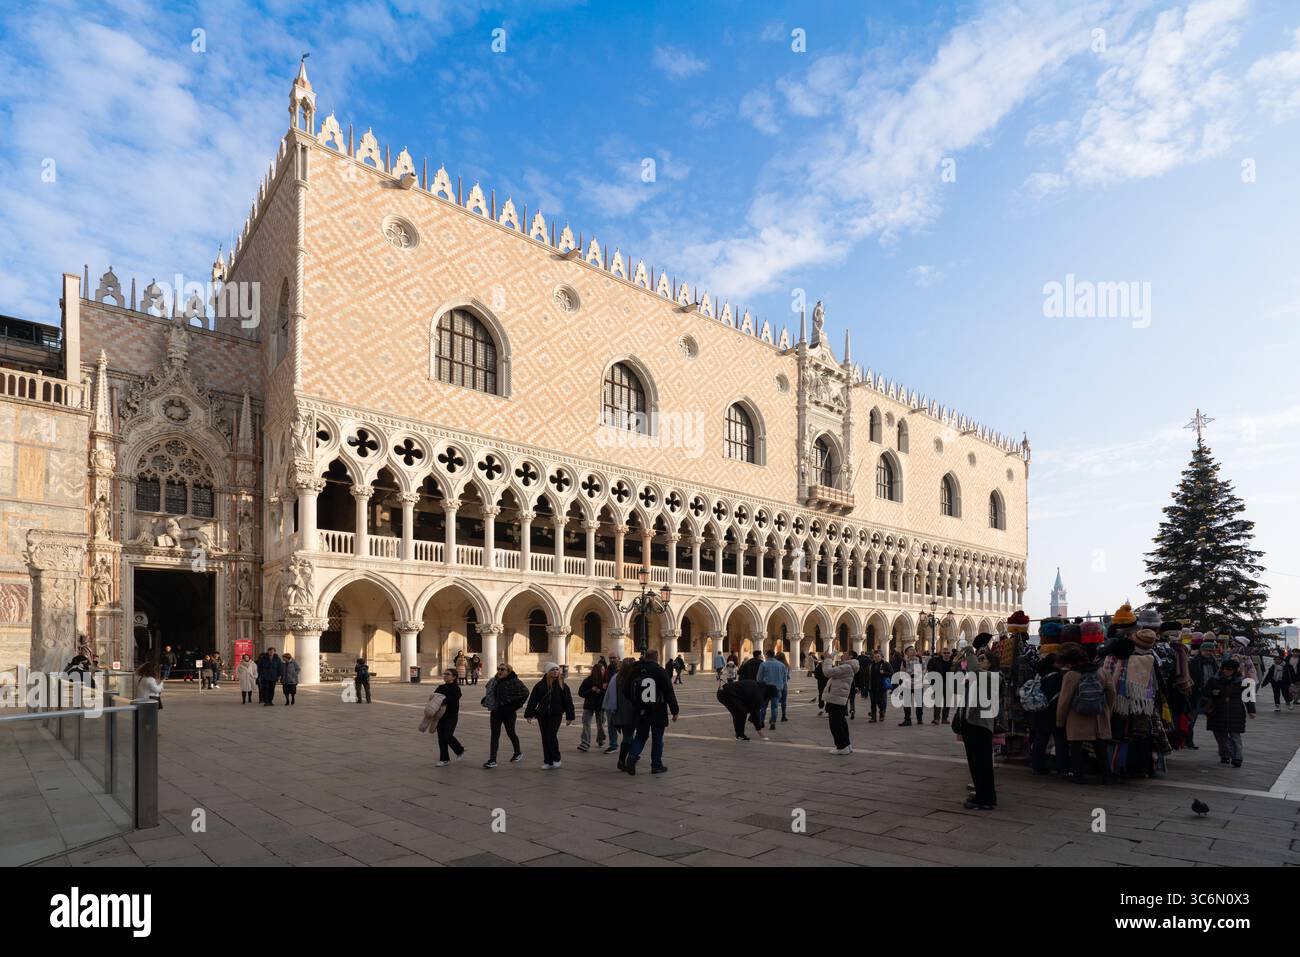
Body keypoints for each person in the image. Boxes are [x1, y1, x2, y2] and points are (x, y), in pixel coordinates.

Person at [1055, 643, 1116, 784]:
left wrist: (1060, 721)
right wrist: (1108, 710)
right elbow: (1112, 693)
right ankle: (1107, 775)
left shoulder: (1071, 675)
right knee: (1100, 747)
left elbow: (1064, 700)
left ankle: (1078, 775)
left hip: (1077, 717)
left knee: (1076, 747)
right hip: (1098, 715)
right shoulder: (1102, 672)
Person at [956, 634, 997, 809]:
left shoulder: (993, 677)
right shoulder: (977, 676)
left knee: (982, 763)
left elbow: (973, 671)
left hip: (981, 726)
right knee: (975, 763)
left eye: (983, 659)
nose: (979, 662)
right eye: (978, 659)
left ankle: (986, 799)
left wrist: (970, 652)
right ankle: (981, 793)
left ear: (991, 664)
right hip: (970, 724)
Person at [625, 650, 679, 775]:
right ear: (657, 657)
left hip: (641, 710)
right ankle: (656, 765)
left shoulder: (635, 670)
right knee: (657, 738)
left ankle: (632, 757)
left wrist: (636, 702)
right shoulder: (660, 671)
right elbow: (669, 692)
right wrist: (675, 710)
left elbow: (626, 690)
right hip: (658, 710)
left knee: (640, 736)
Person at [1204, 658, 1255, 767]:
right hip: (1217, 711)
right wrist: (1213, 693)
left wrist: (1251, 711)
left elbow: (1248, 697)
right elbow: (1205, 692)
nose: (1227, 671)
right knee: (1221, 737)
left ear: (1235, 670)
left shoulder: (1242, 682)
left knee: (1235, 736)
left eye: (1230, 669)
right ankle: (1225, 755)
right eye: (1225, 669)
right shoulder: (1214, 680)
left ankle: (1237, 758)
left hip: (1235, 712)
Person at [524, 662, 575, 769]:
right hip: (542, 715)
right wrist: (529, 714)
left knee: (551, 736)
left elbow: (568, 702)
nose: (556, 671)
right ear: (548, 672)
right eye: (553, 670)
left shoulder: (563, 686)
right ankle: (548, 761)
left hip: (556, 715)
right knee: (545, 737)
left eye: (557, 669)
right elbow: (533, 700)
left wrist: (570, 716)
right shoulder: (540, 685)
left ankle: (556, 758)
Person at [1028, 653, 1068, 777]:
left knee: (1040, 739)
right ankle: (1063, 769)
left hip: (1041, 711)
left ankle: (1037, 766)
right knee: (1060, 740)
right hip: (1054, 711)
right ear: (1054, 663)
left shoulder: (1040, 674)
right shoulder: (1058, 676)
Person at [482, 662, 528, 768]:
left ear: (508, 671)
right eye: (498, 669)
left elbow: (525, 693)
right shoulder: (495, 681)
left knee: (511, 733)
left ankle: (518, 752)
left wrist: (514, 707)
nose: (500, 671)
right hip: (496, 711)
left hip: (509, 713)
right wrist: (486, 700)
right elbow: (492, 694)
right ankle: (492, 760)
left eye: (502, 669)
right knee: (494, 735)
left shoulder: (514, 681)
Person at [822, 651, 860, 754]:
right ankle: (847, 744)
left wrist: (828, 659)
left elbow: (827, 672)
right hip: (838, 697)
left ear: (850, 657)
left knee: (835, 724)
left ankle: (841, 746)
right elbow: (833, 672)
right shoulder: (847, 667)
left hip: (836, 697)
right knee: (841, 722)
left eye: (845, 654)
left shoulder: (847, 667)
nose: (842, 655)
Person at [1186, 640, 1220, 750]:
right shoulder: (1194, 662)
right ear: (1201, 651)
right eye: (1206, 650)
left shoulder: (1214, 662)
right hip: (1197, 694)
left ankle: (1223, 745)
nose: (1209, 652)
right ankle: (1188, 741)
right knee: (1191, 719)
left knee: (1217, 721)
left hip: (1211, 694)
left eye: (1211, 651)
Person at [430, 667, 465, 766]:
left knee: (447, 735)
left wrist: (442, 700)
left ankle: (459, 750)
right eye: (444, 674)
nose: (445, 676)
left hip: (451, 715)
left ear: (454, 677)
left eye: (447, 674)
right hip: (440, 715)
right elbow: (434, 697)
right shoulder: (440, 687)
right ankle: (444, 759)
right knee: (441, 738)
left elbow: (451, 700)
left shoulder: (456, 688)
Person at [613, 657, 639, 770]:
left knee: (627, 736)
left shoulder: (617, 679)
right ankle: (622, 760)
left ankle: (631, 756)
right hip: (630, 712)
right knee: (628, 737)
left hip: (620, 712)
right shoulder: (633, 680)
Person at [577, 661, 609, 752]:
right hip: (589, 706)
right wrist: (591, 690)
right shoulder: (588, 681)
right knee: (586, 723)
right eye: (602, 670)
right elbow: (581, 693)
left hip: (601, 705)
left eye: (603, 669)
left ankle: (600, 739)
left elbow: (608, 694)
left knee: (601, 724)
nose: (603, 671)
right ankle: (585, 743)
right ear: (597, 671)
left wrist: (602, 690)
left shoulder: (605, 681)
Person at [757, 649, 788, 729]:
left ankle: (761, 721)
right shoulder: (781, 665)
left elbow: (759, 678)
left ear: (767, 655)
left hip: (766, 687)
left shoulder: (763, 664)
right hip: (777, 688)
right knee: (774, 707)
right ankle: (773, 722)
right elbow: (785, 679)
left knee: (763, 706)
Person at [134, 661, 164, 728]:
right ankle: (151, 729)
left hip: (141, 697)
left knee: (144, 715)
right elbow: (157, 690)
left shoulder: (138, 677)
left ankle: (143, 727)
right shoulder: (150, 679)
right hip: (151, 698)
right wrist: (161, 683)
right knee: (152, 716)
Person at [602, 663, 622, 755]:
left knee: (612, 725)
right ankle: (614, 745)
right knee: (612, 725)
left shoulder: (617, 677)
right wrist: (614, 708)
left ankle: (615, 745)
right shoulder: (617, 678)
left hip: (612, 705)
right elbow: (613, 695)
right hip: (612, 706)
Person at [866, 650, 892, 722]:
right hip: (872, 686)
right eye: (875, 657)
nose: (876, 658)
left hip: (881, 686)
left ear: (881, 656)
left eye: (878, 656)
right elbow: (866, 675)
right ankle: (873, 717)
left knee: (880, 702)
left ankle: (882, 713)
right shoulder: (871, 665)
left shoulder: (885, 664)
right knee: (873, 702)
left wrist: (884, 672)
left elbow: (891, 673)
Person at [927, 648, 949, 724]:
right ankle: (936, 718)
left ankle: (944, 718)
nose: (946, 654)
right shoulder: (935, 660)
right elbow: (930, 669)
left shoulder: (953, 661)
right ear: (941, 653)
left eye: (948, 653)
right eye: (945, 653)